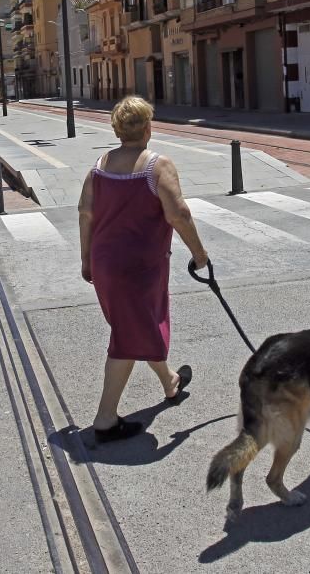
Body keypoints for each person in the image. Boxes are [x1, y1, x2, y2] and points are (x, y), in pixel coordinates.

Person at [78, 96, 210, 443]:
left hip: (106, 263)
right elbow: (178, 213)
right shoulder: (157, 165)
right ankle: (105, 420)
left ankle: (169, 382)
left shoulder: (100, 165)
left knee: (136, 326)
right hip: (138, 268)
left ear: (117, 129)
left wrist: (85, 258)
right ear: (148, 128)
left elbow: (85, 212)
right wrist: (200, 254)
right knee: (127, 335)